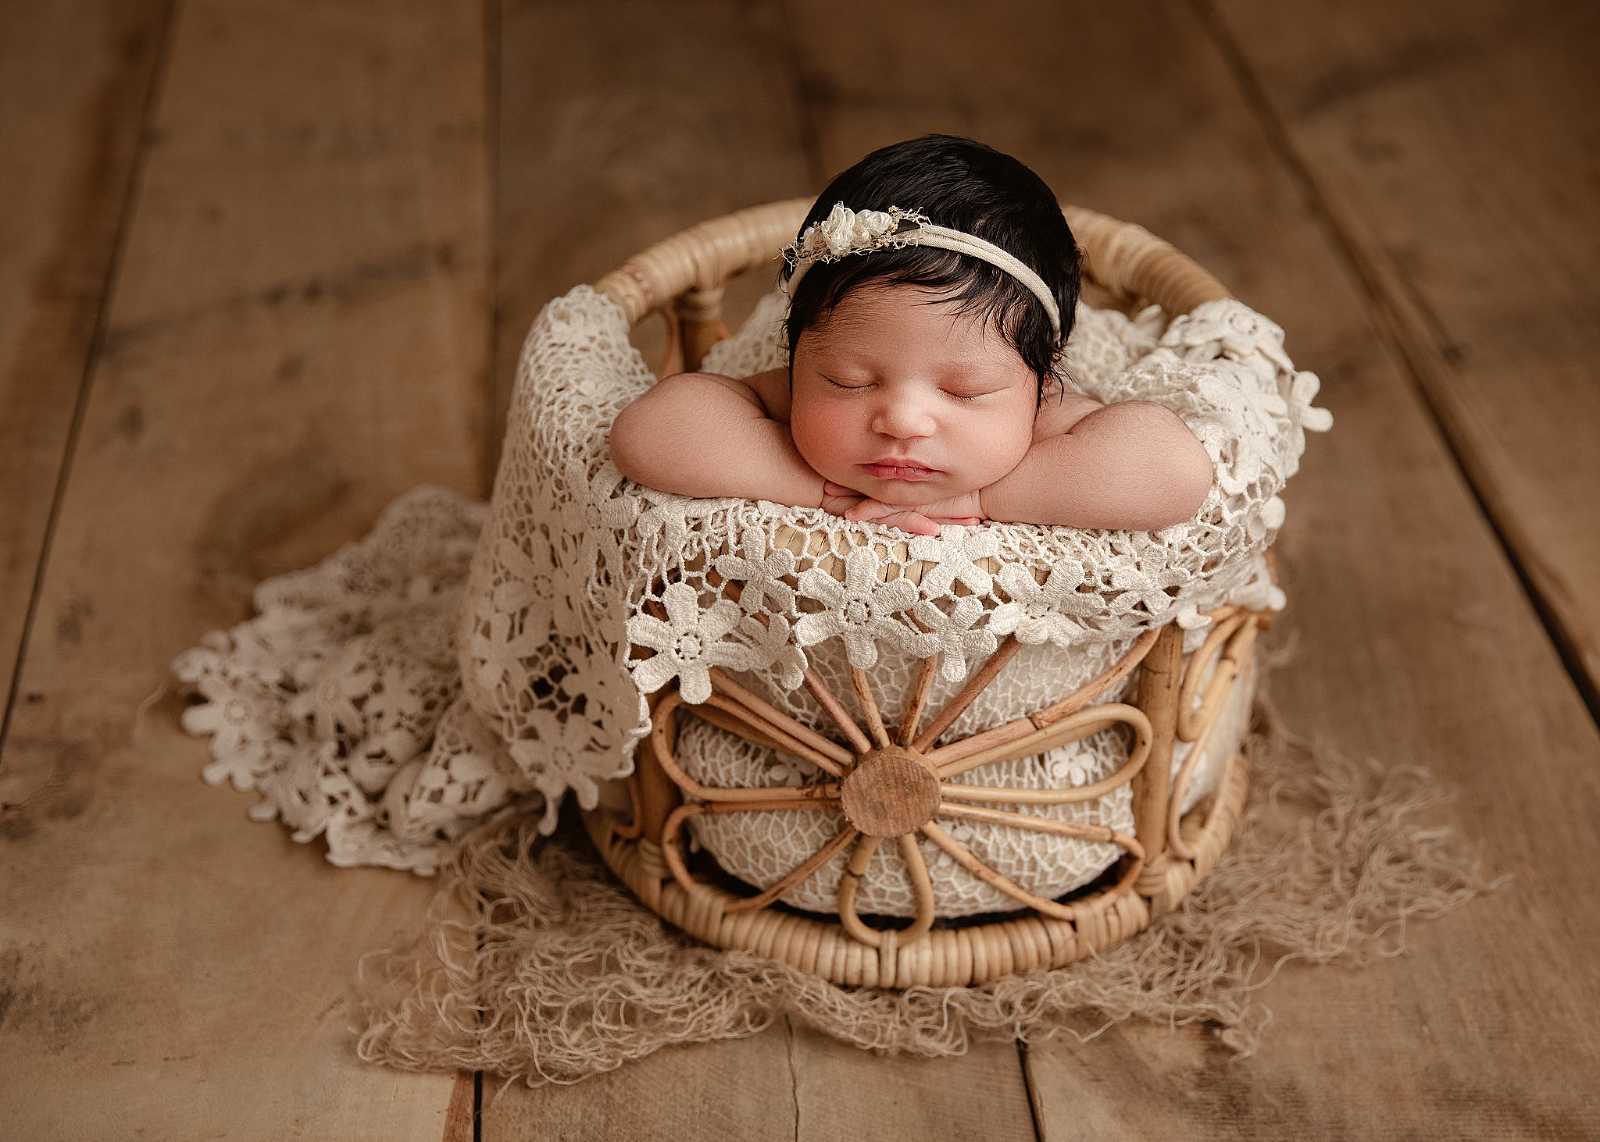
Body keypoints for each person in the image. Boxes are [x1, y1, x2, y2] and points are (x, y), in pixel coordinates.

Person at [609, 135, 1213, 537]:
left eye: (966, 391)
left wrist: (990, 496)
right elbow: (648, 435)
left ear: (1040, 377)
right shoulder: (790, 409)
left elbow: (1175, 472)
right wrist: (811, 486)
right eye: (850, 381)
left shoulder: (1043, 425)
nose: (902, 421)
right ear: (796, 359)